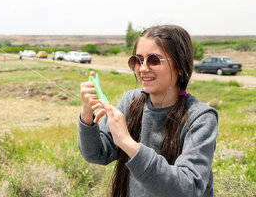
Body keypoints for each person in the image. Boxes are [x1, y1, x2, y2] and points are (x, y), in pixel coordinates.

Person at [78, 25, 218, 197]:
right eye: (138, 60)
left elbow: (188, 188)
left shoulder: (200, 118)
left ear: (181, 66)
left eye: (153, 60)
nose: (143, 68)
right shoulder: (131, 101)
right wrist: (87, 113)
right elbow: (96, 154)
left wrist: (128, 143)